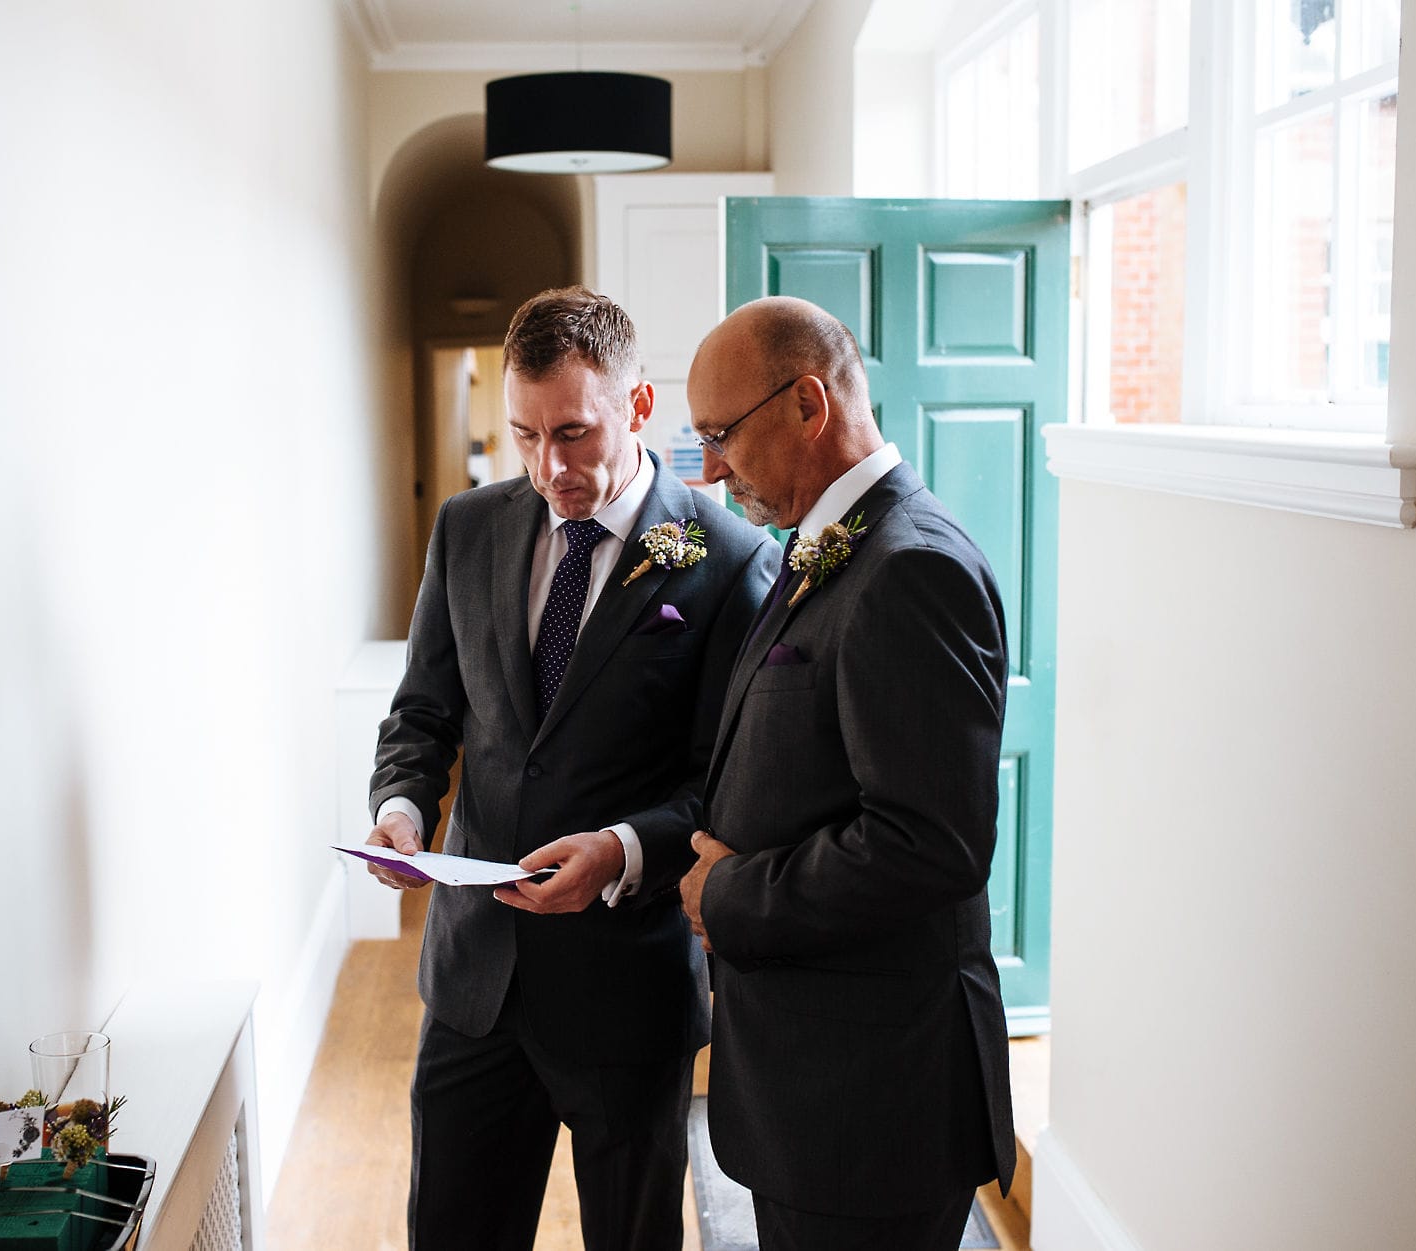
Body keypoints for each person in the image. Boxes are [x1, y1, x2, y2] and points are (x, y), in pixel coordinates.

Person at [367, 285, 779, 1251]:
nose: (550, 466)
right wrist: (400, 807)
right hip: (475, 985)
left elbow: (728, 785)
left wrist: (627, 849)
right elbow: (422, 712)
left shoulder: (729, 559)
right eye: (524, 434)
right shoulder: (467, 531)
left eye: (575, 433)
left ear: (638, 408)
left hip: (625, 995)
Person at [677, 295, 1017, 1251]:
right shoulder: (829, 541)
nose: (709, 469)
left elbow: (929, 845)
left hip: (875, 1103)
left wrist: (730, 892)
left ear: (808, 405)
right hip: (819, 1089)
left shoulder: (913, 569)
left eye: (719, 434)